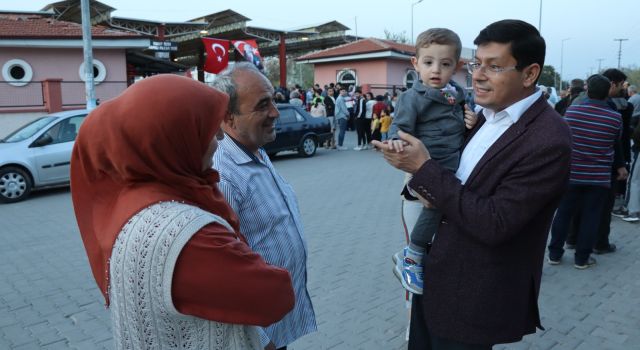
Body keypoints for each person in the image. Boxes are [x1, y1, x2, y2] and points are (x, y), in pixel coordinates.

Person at [373, 20, 571, 348]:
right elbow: (458, 175)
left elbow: (495, 222)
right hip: (434, 279)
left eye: (494, 66)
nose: (477, 74)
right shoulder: (482, 116)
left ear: (530, 74)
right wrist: (415, 176)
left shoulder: (548, 139)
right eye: (478, 63)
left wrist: (423, 169)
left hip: (470, 297)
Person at [70, 74, 295, 349]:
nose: (221, 137)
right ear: (173, 137)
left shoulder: (133, 203)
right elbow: (275, 296)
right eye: (207, 129)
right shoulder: (189, 235)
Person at [211, 63, 317, 350]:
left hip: (275, 322)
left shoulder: (254, 149)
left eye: (272, 100)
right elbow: (223, 276)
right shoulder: (223, 175)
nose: (275, 113)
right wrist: (259, 339)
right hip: (258, 335)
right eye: (262, 105)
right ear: (228, 116)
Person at [387, 27, 477, 295]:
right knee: (436, 206)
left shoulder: (459, 95)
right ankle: (411, 256)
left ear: (456, 66)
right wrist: (395, 141)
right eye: (428, 62)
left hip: (453, 167)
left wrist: (471, 123)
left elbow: (463, 129)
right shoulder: (412, 97)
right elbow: (398, 127)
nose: (436, 69)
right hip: (428, 169)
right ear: (415, 64)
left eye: (445, 63)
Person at [547, 74, 623, 269]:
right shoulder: (615, 118)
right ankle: (582, 259)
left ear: (587, 90)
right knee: (591, 217)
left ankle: (554, 254)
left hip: (572, 174)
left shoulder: (571, 112)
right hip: (598, 177)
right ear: (608, 93)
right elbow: (615, 145)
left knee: (563, 213)